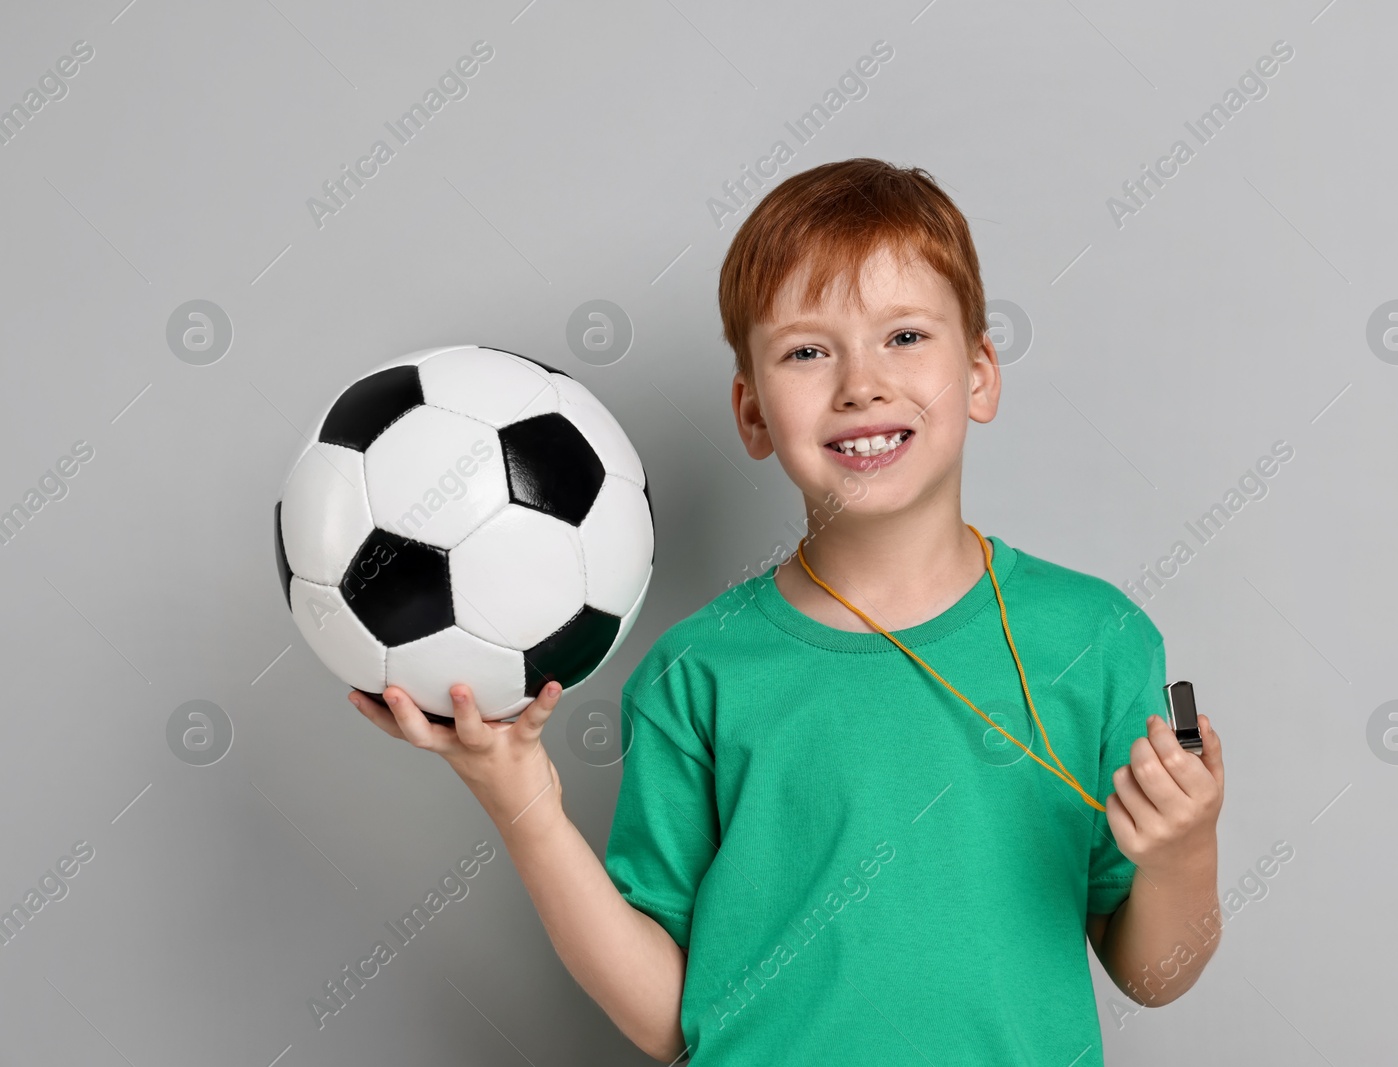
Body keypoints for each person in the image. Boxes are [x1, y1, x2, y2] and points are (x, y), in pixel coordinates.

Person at [348, 157, 1225, 1064]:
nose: (861, 384)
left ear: (979, 374)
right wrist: (519, 797)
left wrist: (1185, 846)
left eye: (906, 337)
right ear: (753, 412)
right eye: (808, 351)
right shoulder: (698, 674)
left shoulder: (1098, 640)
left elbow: (1153, 976)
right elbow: (665, 1017)